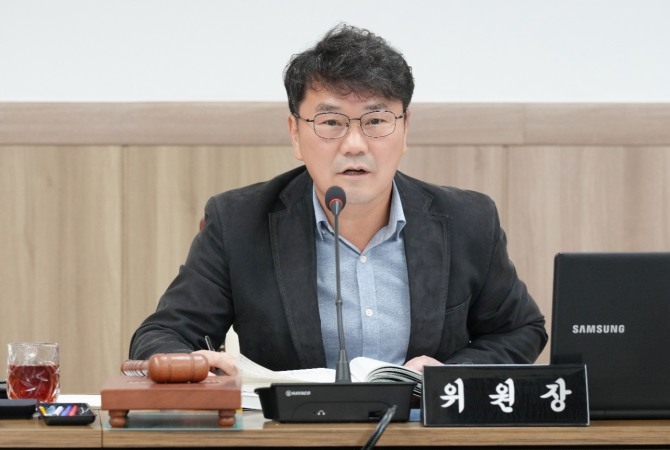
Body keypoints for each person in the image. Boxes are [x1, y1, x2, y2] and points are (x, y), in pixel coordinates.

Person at [129, 24, 547, 376]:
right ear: (295, 133)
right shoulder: (238, 223)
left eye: (376, 120)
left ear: (405, 129)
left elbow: (520, 330)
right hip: (293, 434)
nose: (354, 144)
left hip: (421, 431)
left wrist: (447, 375)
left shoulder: (467, 221)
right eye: (331, 122)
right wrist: (191, 366)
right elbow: (160, 335)